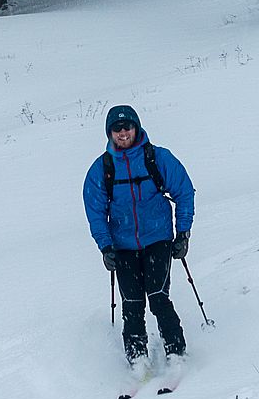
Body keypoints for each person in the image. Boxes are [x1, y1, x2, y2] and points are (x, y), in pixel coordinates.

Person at [83, 105, 195, 364]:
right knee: (131, 305)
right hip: (122, 246)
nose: (123, 133)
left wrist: (183, 233)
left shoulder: (158, 158)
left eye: (127, 127)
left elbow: (184, 192)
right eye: (117, 129)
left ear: (137, 128)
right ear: (109, 133)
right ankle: (137, 362)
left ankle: (176, 353)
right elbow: (95, 211)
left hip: (158, 238)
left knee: (158, 297)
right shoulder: (102, 169)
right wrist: (105, 247)